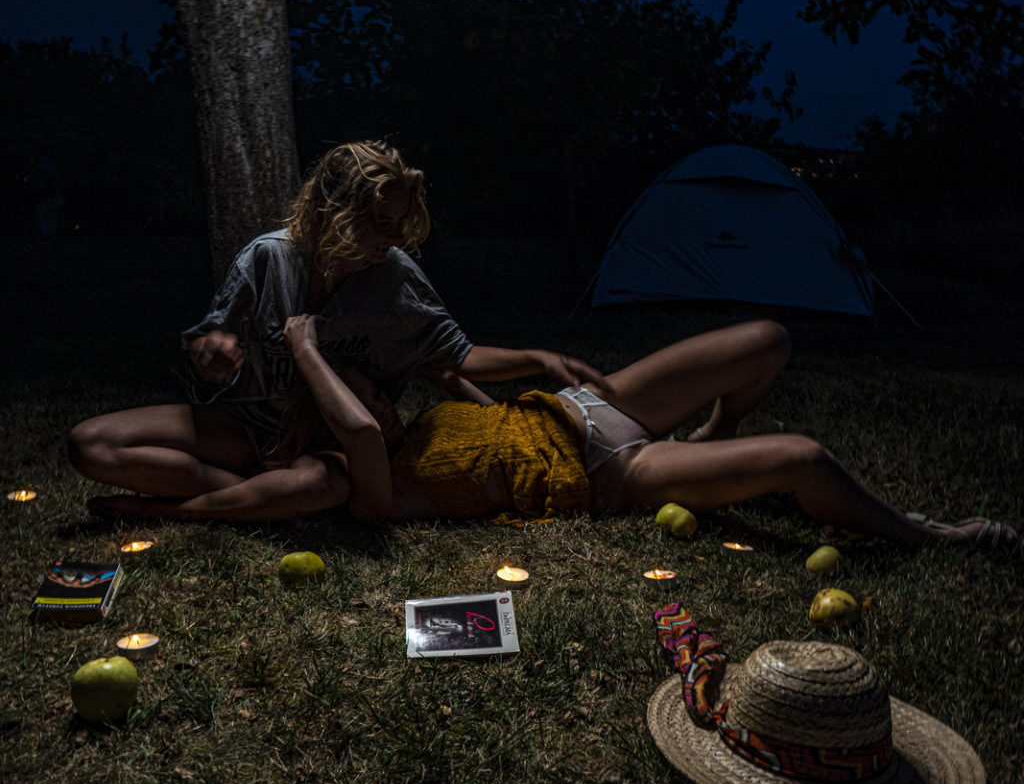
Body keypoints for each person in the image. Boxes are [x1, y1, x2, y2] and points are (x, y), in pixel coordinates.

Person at [85, 314, 1017, 551]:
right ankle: (926, 535)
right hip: (616, 471)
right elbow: (358, 431)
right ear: (332, 418)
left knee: (768, 340)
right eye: (359, 402)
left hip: (591, 410)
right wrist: (302, 348)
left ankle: (715, 432)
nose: (380, 409)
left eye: (379, 395)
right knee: (803, 460)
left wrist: (507, 362)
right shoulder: (367, 485)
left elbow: (450, 365)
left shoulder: (410, 428)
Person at [69, 140, 606, 501]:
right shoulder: (268, 258)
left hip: (333, 443)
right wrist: (208, 350)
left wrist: (538, 358)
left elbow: (458, 356)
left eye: (400, 221)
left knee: (323, 486)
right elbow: (209, 336)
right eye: (381, 221)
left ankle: (253, 496)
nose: (395, 235)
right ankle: (247, 492)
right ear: (334, 210)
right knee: (90, 445)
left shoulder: (396, 277)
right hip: (247, 425)